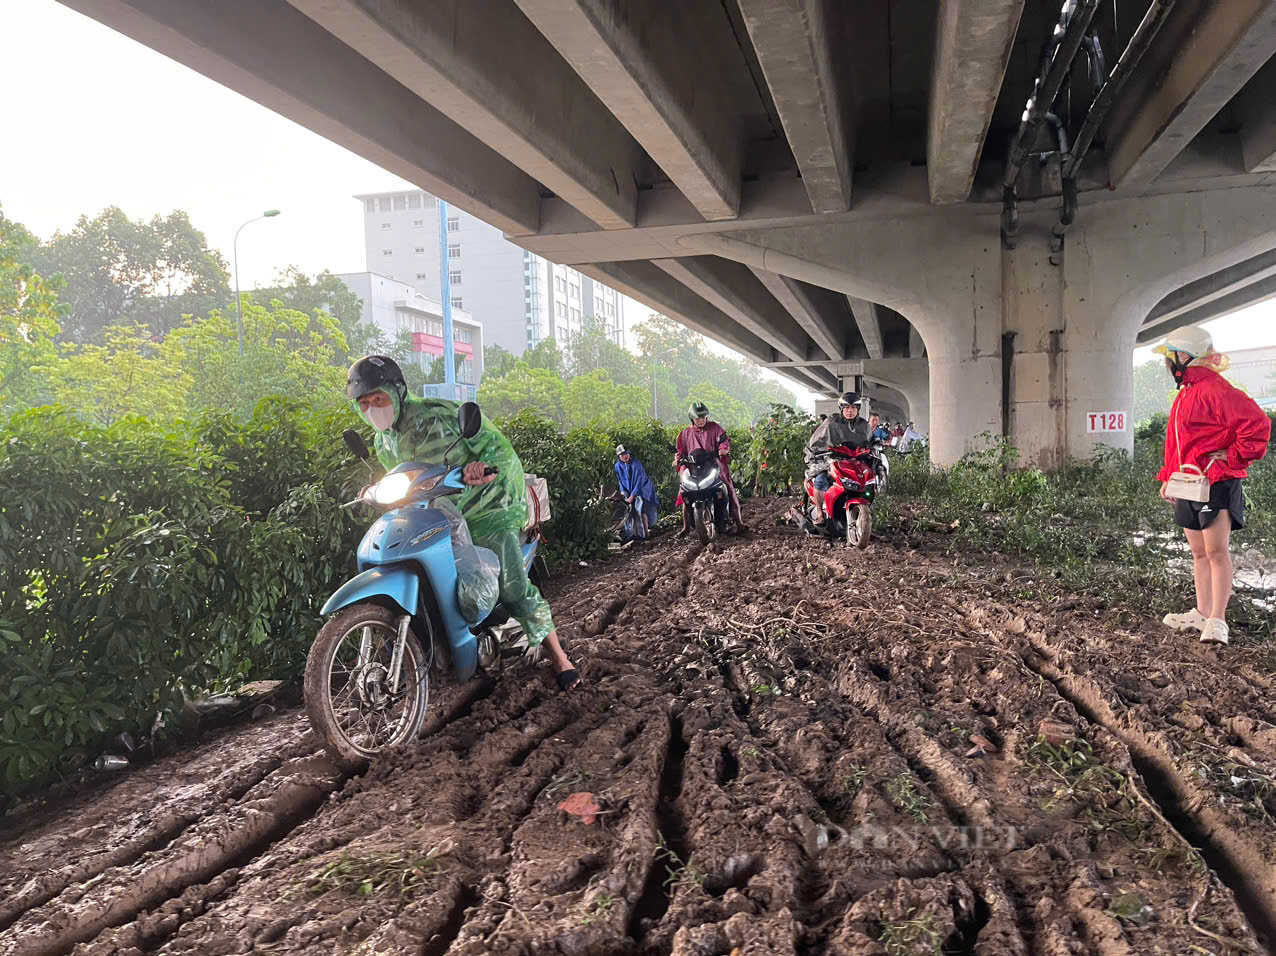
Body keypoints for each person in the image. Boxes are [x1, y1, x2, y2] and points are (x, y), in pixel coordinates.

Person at [346, 355, 580, 690]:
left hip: (488, 504)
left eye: (379, 399)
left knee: (513, 587)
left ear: (397, 392)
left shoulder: (439, 415)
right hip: (438, 513)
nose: (373, 409)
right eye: (365, 403)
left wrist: (481, 467)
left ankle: (560, 658)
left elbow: (497, 448)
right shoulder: (383, 442)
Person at [1154, 326, 1270, 646]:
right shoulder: (1187, 392)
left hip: (1216, 481)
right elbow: (1179, 443)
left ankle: (1218, 620)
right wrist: (1169, 478)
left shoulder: (1216, 389)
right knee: (1198, 552)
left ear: (1184, 356)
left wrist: (1233, 456)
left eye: (1170, 355)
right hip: (1190, 482)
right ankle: (1202, 613)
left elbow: (1258, 425)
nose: (1168, 362)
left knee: (1216, 551)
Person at [674, 401, 747, 536]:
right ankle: (686, 527)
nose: (701, 421)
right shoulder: (684, 434)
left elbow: (724, 441)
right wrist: (677, 460)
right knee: (684, 492)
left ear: (706, 417)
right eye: (697, 418)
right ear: (692, 419)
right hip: (693, 468)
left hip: (713, 464)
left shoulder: (715, 428)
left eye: (703, 417)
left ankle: (739, 522)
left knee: (728, 488)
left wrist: (723, 449)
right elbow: (680, 450)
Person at [806, 392, 871, 525]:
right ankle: (820, 513)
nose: (850, 411)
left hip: (855, 460)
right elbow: (817, 440)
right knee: (820, 480)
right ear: (841, 409)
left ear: (858, 409)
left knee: (867, 482)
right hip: (832, 459)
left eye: (853, 407)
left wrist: (875, 444)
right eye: (847, 407)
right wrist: (818, 451)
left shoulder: (864, 425)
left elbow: (871, 439)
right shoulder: (831, 422)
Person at [614, 444, 659, 540]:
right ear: (618, 457)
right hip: (627, 490)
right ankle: (631, 535)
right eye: (622, 455)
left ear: (629, 454)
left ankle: (645, 534)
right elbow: (620, 481)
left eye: (626, 454)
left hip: (642, 489)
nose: (625, 456)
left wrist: (632, 496)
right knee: (627, 512)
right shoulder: (618, 466)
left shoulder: (636, 464)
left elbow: (639, 481)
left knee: (640, 509)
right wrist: (623, 494)